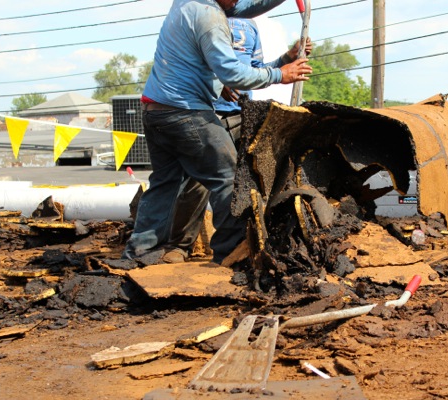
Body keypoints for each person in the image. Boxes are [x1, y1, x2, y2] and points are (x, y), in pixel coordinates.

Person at [122, 0, 312, 265]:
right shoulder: (210, 17)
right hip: (186, 113)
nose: (237, 0)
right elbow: (233, 72)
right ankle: (230, 252)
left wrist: (281, 60)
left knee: (165, 184)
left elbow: (246, 9)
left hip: (156, 111)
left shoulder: (188, 4)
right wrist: (280, 74)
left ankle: (138, 253)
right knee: (229, 178)